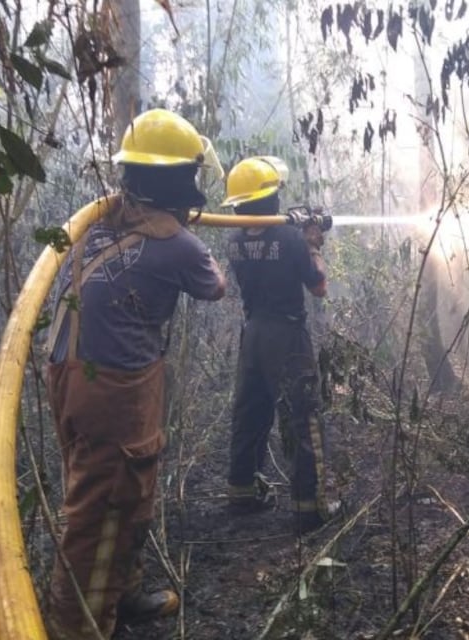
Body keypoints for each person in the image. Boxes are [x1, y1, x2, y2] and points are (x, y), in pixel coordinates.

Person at [43, 108, 226, 640]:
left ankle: (122, 593)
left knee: (121, 495)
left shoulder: (101, 220)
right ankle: (78, 628)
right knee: (101, 510)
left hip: (70, 373)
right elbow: (214, 286)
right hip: (115, 391)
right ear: (179, 180)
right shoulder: (180, 245)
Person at [222, 155, 340, 535]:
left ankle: (242, 492)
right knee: (303, 417)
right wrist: (314, 245)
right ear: (271, 198)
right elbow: (318, 288)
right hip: (286, 336)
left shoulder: (234, 239)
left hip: (252, 333)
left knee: (250, 413)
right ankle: (311, 507)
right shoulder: (291, 238)